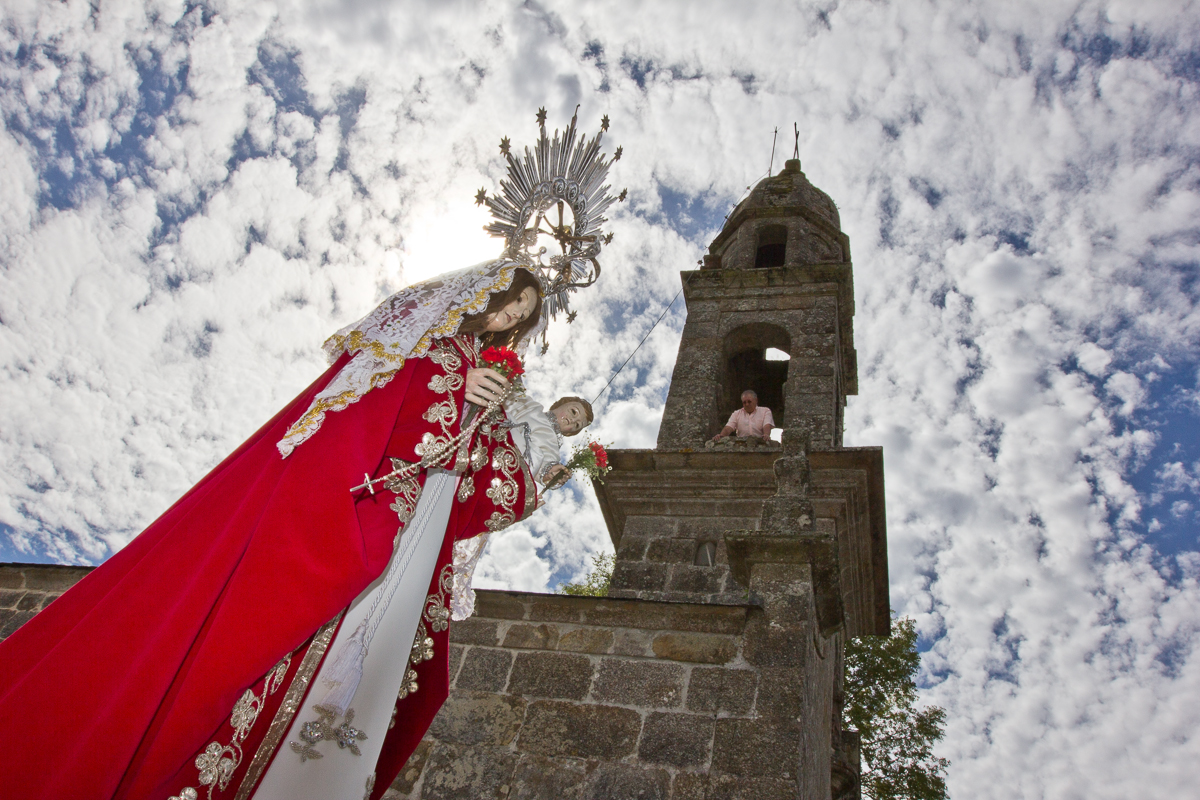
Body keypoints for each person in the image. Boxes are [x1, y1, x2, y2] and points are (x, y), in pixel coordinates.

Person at [0, 259, 575, 800]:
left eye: (519, 319)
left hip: (412, 543)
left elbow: (474, 486)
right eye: (507, 306)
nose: (506, 321)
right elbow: (368, 399)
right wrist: (454, 387)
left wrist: (529, 476)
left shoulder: (489, 376)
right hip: (356, 510)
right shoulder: (427, 339)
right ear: (484, 293)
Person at [711, 389, 775, 443]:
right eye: (744, 402)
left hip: (760, 443)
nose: (747, 404)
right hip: (742, 444)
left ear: (756, 400)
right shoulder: (736, 413)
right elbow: (728, 428)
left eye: (749, 402)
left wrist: (766, 435)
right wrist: (721, 436)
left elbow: (767, 425)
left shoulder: (765, 411)